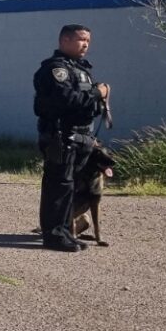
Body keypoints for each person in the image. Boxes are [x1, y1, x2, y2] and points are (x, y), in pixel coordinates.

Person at [33, 24, 110, 252]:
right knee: (58, 186)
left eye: (88, 40)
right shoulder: (55, 69)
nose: (86, 44)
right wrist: (98, 93)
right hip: (61, 136)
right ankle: (54, 236)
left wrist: (96, 96)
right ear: (64, 40)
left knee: (70, 187)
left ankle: (66, 231)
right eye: (81, 39)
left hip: (81, 136)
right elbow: (66, 99)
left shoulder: (81, 70)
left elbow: (86, 102)